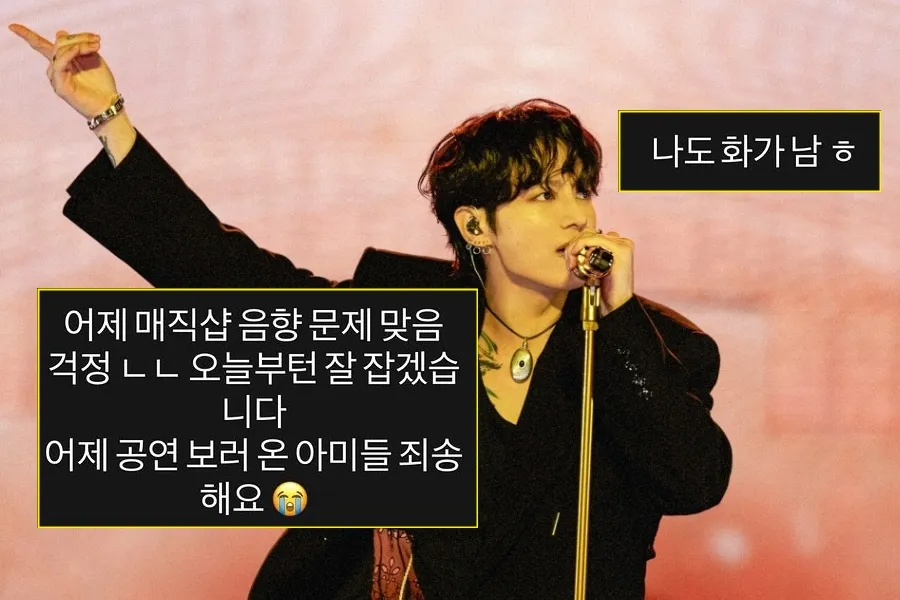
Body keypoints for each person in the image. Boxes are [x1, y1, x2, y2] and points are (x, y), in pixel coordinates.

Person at [10, 24, 733, 600]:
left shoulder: (655, 348)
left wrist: (617, 319)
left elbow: (692, 481)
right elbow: (229, 275)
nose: (576, 214)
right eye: (543, 195)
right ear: (476, 225)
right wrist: (109, 118)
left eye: (581, 190)